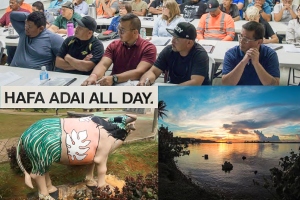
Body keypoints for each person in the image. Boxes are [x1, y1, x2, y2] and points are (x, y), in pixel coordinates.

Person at [81, 13, 156, 86]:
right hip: (114, 85)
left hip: (136, 88)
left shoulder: (148, 48)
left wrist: (114, 78)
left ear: (135, 32)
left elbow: (139, 72)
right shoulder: (114, 45)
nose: (119, 33)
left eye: (122, 30)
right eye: (118, 29)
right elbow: (103, 64)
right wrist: (94, 76)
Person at [138, 22, 209, 85]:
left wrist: (172, 91)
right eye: (173, 36)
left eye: (177, 39)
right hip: (175, 90)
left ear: (189, 43)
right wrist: (145, 81)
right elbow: (153, 71)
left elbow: (195, 82)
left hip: (197, 94)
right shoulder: (169, 50)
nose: (172, 41)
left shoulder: (200, 55)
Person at [222, 21, 280, 85]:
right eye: (240, 36)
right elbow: (226, 84)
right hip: (237, 93)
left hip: (262, 93)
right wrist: (243, 62)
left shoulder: (270, 54)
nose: (241, 41)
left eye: (246, 39)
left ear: (259, 42)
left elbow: (275, 85)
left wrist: (256, 64)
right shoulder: (231, 54)